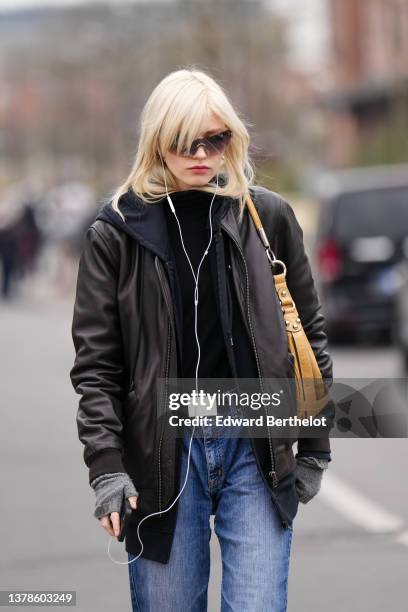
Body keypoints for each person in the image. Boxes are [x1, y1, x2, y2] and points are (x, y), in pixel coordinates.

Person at [70, 68, 333, 612]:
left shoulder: (267, 218)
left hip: (255, 446)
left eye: (216, 139)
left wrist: (314, 448)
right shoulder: (116, 232)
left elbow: (307, 339)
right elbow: (97, 367)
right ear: (157, 141)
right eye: (184, 140)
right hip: (163, 456)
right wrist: (106, 467)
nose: (201, 153)